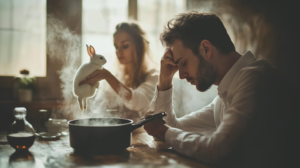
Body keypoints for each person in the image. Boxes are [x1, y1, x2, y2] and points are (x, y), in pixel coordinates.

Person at [143, 11, 283, 168]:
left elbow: (219, 149)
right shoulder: (223, 98)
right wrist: (164, 81)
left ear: (206, 49)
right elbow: (172, 130)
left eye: (183, 63)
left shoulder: (256, 78)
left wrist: (163, 131)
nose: (181, 75)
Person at [80, 22, 158, 122]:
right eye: (116, 47)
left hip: (143, 135)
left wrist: (108, 76)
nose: (118, 52)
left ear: (139, 47)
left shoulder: (153, 77)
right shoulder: (117, 76)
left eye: (125, 46)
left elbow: (136, 101)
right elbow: (98, 106)